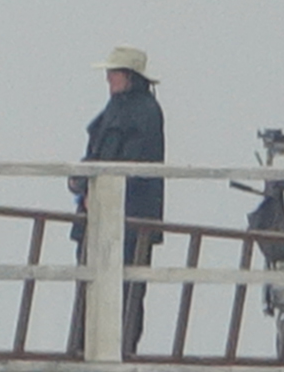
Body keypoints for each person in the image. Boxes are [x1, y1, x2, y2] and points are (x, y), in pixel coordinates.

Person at [67, 45, 165, 356]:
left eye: (114, 73)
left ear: (130, 77)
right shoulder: (114, 109)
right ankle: (83, 346)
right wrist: (80, 181)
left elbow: (132, 165)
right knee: (91, 285)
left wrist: (95, 189)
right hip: (99, 219)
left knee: (126, 288)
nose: (108, 78)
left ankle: (119, 349)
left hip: (130, 219)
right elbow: (96, 154)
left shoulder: (145, 112)